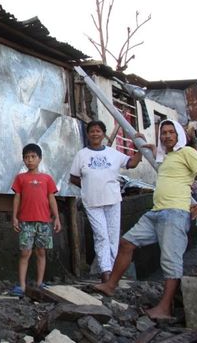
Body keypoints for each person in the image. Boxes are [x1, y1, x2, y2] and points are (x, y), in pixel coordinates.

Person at [94, 119, 197, 320]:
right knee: (126, 242)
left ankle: (165, 308)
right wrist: (145, 146)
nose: (167, 136)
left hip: (175, 213)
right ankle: (110, 285)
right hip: (156, 212)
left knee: (170, 261)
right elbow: (155, 156)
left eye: (171, 132)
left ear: (179, 135)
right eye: (163, 133)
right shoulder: (167, 157)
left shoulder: (187, 152)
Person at [69, 120, 144, 283]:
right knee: (101, 235)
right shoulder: (82, 155)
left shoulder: (113, 153)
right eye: (92, 131)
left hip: (113, 200)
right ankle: (106, 271)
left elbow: (131, 163)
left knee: (113, 236)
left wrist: (140, 148)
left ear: (103, 134)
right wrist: (89, 186)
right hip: (92, 202)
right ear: (88, 135)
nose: (95, 134)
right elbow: (73, 178)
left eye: (98, 131)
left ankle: (112, 270)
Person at [10, 143, 62, 296]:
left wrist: (57, 218)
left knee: (41, 252)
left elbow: (52, 199)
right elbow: (17, 198)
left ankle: (40, 283)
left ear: (40, 159)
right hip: (25, 221)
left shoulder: (47, 179)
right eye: (26, 157)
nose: (30, 160)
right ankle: (22, 286)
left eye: (33, 157)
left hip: (45, 221)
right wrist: (14, 217)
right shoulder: (20, 178)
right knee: (25, 253)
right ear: (23, 160)